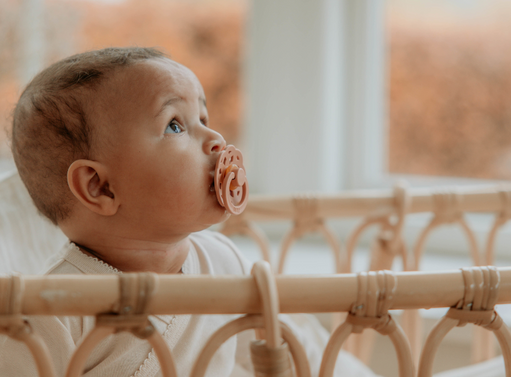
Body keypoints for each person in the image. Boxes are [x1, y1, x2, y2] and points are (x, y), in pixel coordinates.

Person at [1, 47, 376, 377]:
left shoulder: (222, 262)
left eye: (204, 120)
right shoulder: (52, 307)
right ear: (101, 187)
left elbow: (295, 351)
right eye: (175, 125)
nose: (216, 140)